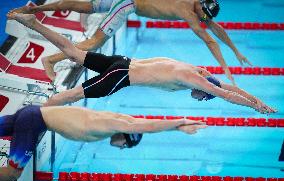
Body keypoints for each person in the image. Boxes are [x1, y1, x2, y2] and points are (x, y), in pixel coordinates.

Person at [7, 13, 276, 114]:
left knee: (74, 52)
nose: (198, 99)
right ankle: (25, 120)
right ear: (204, 88)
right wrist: (256, 109)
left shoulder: (192, 68)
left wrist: (259, 101)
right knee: (71, 95)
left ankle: (34, 23)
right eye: (204, 98)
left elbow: (230, 86)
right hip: (121, 75)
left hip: (122, 61)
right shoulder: (193, 79)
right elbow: (227, 93)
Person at [10, 0, 252, 84]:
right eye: (204, 15)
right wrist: (226, 67)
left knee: (81, 5)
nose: (203, 19)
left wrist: (236, 51)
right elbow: (210, 41)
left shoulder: (195, 5)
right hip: (127, 5)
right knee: (94, 44)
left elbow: (216, 28)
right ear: (201, 7)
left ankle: (34, 8)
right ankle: (51, 59)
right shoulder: (190, 13)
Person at [0, 105, 206, 181]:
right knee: (12, 174)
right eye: (126, 145)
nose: (122, 148)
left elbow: (135, 123)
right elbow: (147, 126)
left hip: (33, 115)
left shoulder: (110, 120)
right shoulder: (111, 124)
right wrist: (178, 125)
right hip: (33, 122)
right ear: (125, 136)